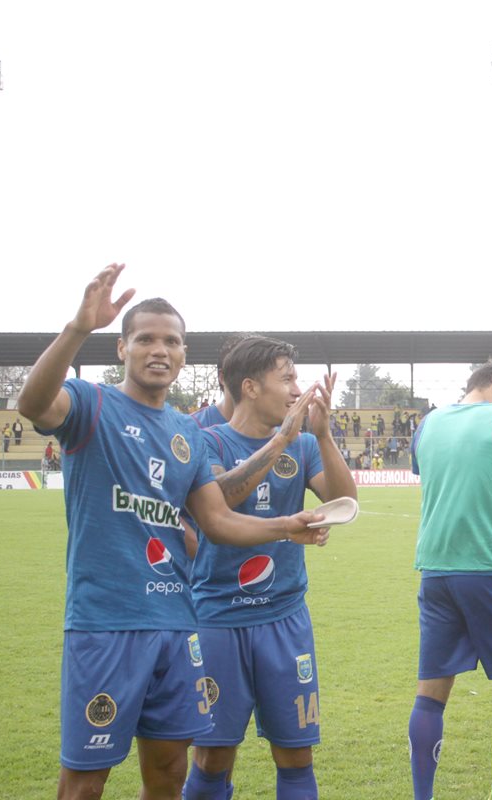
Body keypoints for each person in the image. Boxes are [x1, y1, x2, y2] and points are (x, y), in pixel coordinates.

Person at [17, 264, 329, 800]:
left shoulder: (187, 432)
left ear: (185, 356)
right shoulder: (91, 404)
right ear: (122, 349)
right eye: (145, 339)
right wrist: (76, 329)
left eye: (173, 341)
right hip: (107, 622)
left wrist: (286, 525)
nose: (160, 350)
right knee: (85, 781)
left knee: (168, 774)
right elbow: (33, 405)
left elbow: (217, 519)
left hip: (177, 624)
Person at [184, 337, 356, 800]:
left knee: (296, 755)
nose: (297, 389)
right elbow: (219, 507)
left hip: (285, 620)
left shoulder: (303, 445)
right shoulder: (206, 440)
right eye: (287, 378)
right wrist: (283, 438)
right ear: (251, 388)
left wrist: (320, 434)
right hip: (219, 618)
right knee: (213, 756)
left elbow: (346, 501)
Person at [407, 362, 492, 800]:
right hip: (491, 567)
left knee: (431, 693)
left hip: (435, 570)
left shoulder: (429, 423)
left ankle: (423, 796)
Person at [191, 333, 252, 429]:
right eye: (242, 371)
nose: (250, 382)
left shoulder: (277, 428)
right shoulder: (194, 427)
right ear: (222, 377)